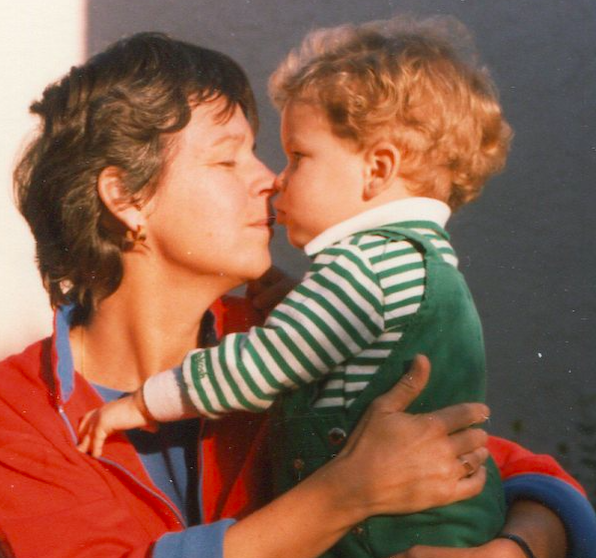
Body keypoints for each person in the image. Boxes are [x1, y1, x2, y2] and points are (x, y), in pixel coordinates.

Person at [0, 31, 596, 558]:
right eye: (228, 159)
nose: (267, 180)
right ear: (125, 197)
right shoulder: (15, 407)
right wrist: (344, 494)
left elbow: (527, 477)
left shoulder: (288, 336)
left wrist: (512, 551)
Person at [76, 16, 508, 558]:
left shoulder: (363, 268)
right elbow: (348, 341)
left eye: (298, 157)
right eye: (229, 159)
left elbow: (266, 364)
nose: (274, 178)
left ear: (377, 169)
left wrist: (143, 404)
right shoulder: (412, 260)